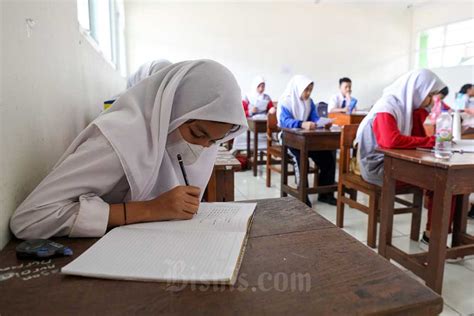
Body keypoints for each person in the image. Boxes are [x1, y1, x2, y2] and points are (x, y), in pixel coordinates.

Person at [10, 60, 248, 239]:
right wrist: (149, 209)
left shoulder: (188, 139)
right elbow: (30, 219)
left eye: (214, 141)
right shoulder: (119, 141)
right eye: (198, 134)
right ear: (171, 110)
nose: (203, 148)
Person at [355, 69, 458, 245]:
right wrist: (430, 141)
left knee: (449, 179)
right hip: (378, 168)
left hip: (394, 163)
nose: (431, 100)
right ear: (419, 89)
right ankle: (433, 237)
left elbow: (417, 139)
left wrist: (431, 139)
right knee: (443, 181)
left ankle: (440, 233)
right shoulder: (387, 106)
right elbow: (390, 140)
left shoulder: (408, 108)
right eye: (430, 95)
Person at [277, 75, 336, 206]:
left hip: (306, 140)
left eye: (310, 89)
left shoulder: (309, 102)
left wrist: (322, 123)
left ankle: (325, 194)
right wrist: (301, 123)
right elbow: (284, 121)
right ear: (298, 89)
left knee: (328, 159)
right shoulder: (285, 102)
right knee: (301, 160)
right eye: (306, 90)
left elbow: (314, 118)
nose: (308, 93)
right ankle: (302, 196)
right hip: (289, 140)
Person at [232, 76, 275, 152]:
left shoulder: (266, 97)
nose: (261, 89)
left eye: (263, 86)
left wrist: (272, 110)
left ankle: (267, 150)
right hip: (250, 122)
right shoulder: (247, 97)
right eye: (259, 86)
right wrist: (251, 111)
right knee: (242, 133)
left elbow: (271, 108)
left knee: (272, 131)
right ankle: (242, 150)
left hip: (263, 122)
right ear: (255, 86)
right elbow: (242, 113)